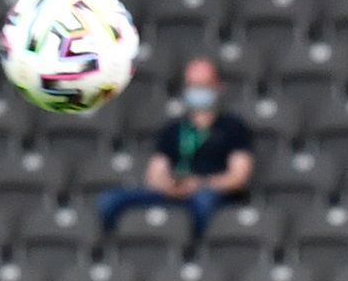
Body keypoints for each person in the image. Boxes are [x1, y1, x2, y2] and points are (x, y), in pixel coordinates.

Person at [97, 57, 254, 238]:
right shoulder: (174, 129)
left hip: (210, 192)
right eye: (192, 85)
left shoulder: (233, 127)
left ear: (218, 86)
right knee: (110, 200)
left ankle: (194, 253)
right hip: (173, 191)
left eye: (203, 85)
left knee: (203, 202)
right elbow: (154, 173)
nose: (197, 91)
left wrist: (200, 184)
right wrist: (170, 186)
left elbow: (238, 176)